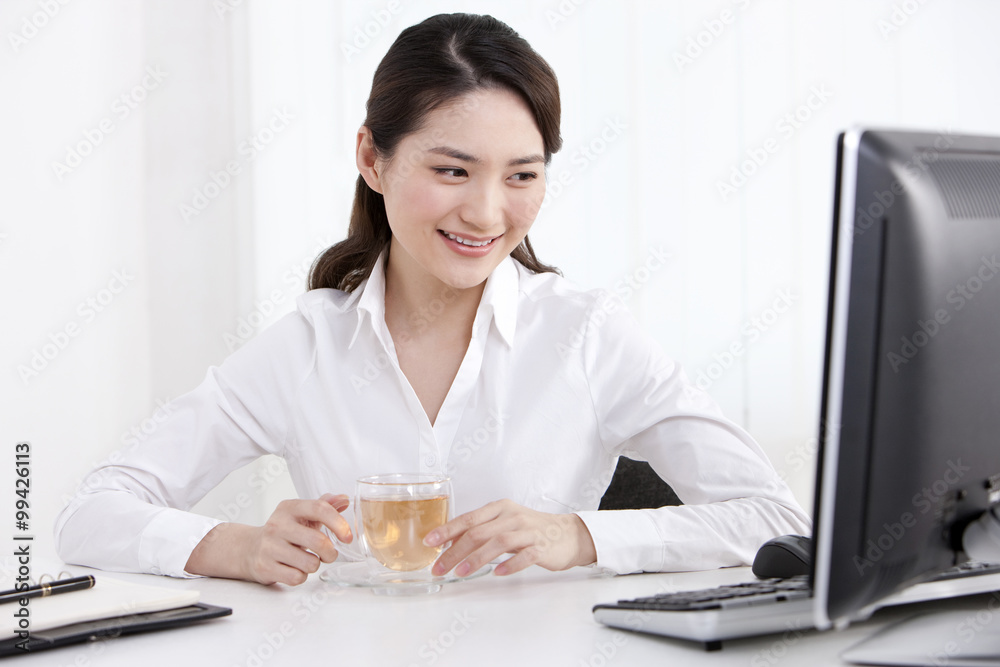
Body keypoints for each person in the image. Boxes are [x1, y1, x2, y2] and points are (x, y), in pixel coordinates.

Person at [54, 13, 810, 586]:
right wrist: (239, 546)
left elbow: (778, 519)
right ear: (371, 159)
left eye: (521, 175)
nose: (486, 213)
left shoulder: (586, 335)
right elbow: (89, 515)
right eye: (452, 171)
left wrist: (579, 536)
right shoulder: (307, 348)